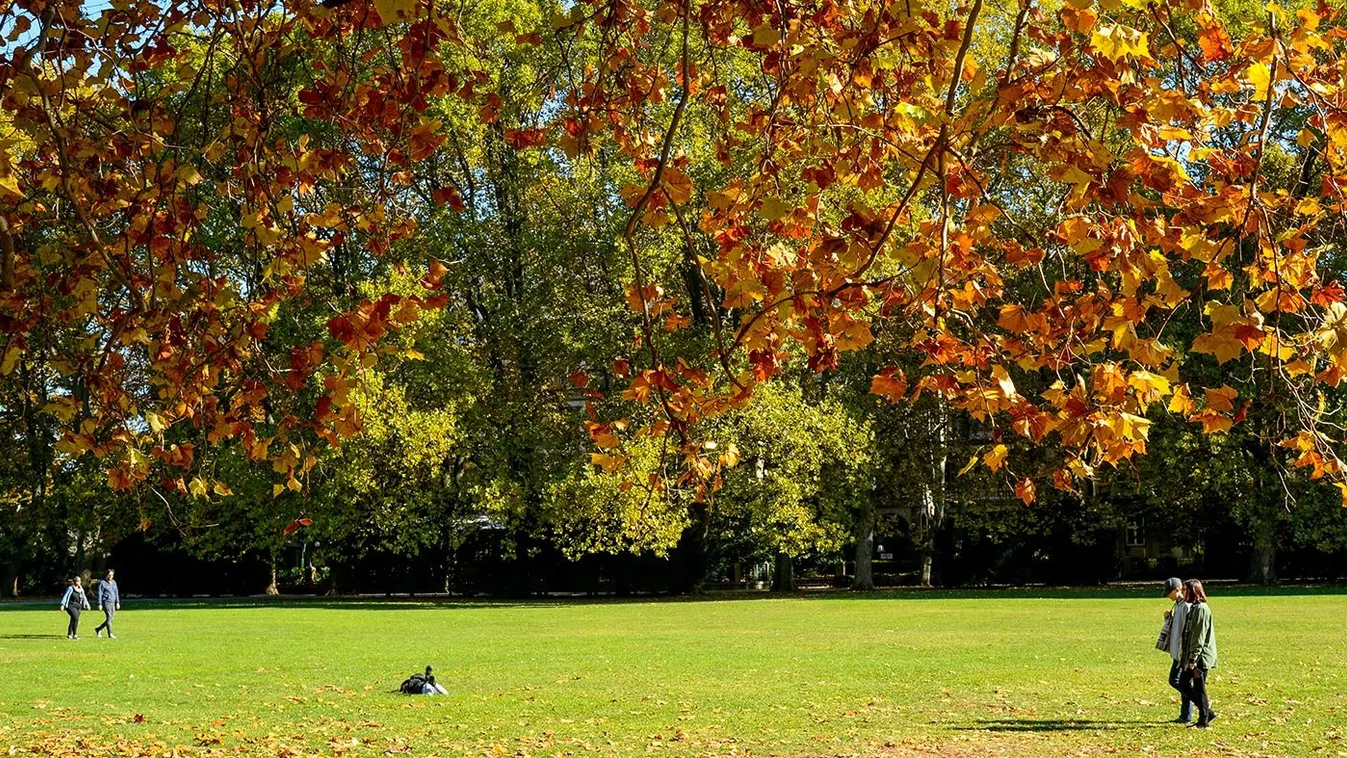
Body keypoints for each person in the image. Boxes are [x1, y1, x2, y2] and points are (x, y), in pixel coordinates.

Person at [1180, 580, 1219, 728]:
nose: (1183, 593)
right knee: (1183, 683)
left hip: (1201, 657)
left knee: (1198, 688)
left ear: (1193, 591)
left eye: (1185, 590)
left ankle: (1204, 720)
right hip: (1194, 655)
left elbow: (1199, 636)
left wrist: (1193, 658)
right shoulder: (1194, 608)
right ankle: (1207, 713)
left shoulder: (1201, 609)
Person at [1161, 577, 1194, 724]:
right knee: (1181, 681)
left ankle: (1200, 700)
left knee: (1176, 680)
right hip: (1178, 650)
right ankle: (1186, 715)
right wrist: (1168, 619)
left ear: (1178, 590)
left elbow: (1188, 630)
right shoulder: (1178, 604)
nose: (1168, 595)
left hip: (1183, 652)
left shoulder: (1186, 605)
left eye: (1169, 592)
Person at [94, 569, 121, 639]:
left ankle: (98, 629)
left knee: (111, 619)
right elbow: (100, 593)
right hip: (106, 602)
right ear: (106, 575)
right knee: (109, 617)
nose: (110, 576)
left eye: (112, 575)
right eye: (109, 575)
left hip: (113, 602)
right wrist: (99, 604)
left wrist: (117, 602)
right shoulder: (102, 583)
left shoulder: (114, 582)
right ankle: (110, 633)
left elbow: (116, 593)